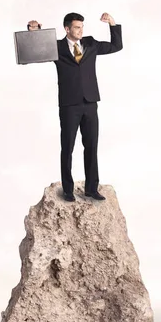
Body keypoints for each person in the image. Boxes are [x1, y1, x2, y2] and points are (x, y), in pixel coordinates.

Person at [26, 12, 123, 202]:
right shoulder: (57, 47)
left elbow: (116, 46)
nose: (81, 31)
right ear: (67, 29)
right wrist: (34, 31)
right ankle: (68, 190)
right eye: (77, 27)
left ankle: (91, 188)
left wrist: (112, 23)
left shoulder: (91, 43)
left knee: (92, 146)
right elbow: (34, 51)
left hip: (90, 103)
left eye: (82, 27)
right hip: (69, 105)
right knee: (67, 148)